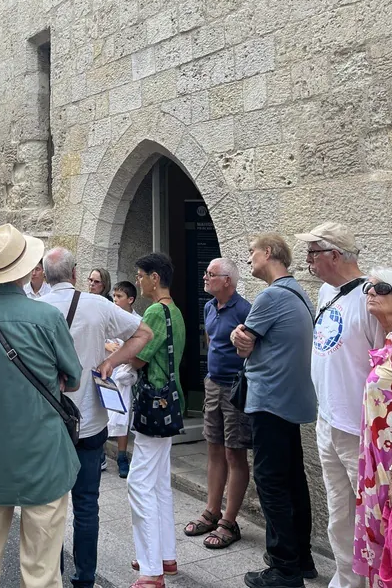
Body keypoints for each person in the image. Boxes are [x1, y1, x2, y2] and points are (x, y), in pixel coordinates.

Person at [0, 224, 82, 588]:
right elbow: (72, 379)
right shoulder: (47, 317)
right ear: (27, 269)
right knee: (41, 570)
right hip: (40, 449)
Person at [43, 248, 152, 588]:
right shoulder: (97, 305)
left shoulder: (36, 309)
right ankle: (85, 578)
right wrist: (111, 362)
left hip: (48, 419)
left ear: (45, 276)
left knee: (49, 506)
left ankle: (51, 576)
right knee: (87, 504)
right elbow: (144, 333)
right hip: (89, 418)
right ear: (75, 274)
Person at [295, 223, 384, 588]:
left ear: (334, 255)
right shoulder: (325, 294)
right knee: (338, 511)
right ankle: (346, 580)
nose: (307, 260)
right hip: (328, 420)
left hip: (359, 427)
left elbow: (386, 363)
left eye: (313, 252)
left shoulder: (372, 298)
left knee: (370, 515)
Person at [232, 234, 317, 588]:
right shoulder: (300, 293)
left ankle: (284, 568)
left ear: (268, 253)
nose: (249, 258)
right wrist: (244, 338)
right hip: (291, 401)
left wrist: (241, 339)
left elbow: (244, 342)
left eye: (252, 252)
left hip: (269, 401)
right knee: (293, 478)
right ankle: (302, 558)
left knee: (270, 481)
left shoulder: (270, 296)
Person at [127, 253, 186, 588]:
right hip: (171, 401)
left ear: (153, 277)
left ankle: (151, 569)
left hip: (153, 404)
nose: (138, 281)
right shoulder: (174, 311)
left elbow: (137, 358)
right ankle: (165, 554)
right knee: (160, 481)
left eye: (140, 275)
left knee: (139, 482)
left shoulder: (153, 311)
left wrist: (114, 349)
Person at [184, 257, 251, 550]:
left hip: (235, 387)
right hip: (213, 383)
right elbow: (211, 341)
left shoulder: (246, 309)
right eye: (205, 273)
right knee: (213, 446)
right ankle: (212, 510)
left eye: (210, 274)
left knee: (234, 452)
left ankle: (229, 520)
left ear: (227, 281)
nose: (205, 278)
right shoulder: (209, 307)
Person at [354, 267, 392, 587]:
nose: (371, 292)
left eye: (381, 288)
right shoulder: (389, 342)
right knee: (382, 543)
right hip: (376, 466)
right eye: (368, 289)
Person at [106, 280, 141, 478]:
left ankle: (121, 455)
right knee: (104, 412)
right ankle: (101, 453)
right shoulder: (109, 317)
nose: (115, 300)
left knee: (123, 415)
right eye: (114, 296)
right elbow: (101, 338)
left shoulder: (138, 321)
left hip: (125, 374)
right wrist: (107, 347)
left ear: (131, 299)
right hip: (108, 370)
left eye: (119, 297)